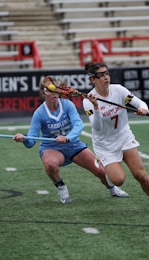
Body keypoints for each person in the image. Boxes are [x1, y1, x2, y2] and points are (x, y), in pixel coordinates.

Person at [13, 76, 129, 204]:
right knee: (50, 164)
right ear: (43, 94)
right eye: (49, 91)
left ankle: (112, 189)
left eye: (55, 90)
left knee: (100, 171)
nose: (53, 94)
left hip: (74, 145)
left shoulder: (67, 105)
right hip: (51, 148)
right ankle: (60, 186)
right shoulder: (39, 113)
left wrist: (67, 138)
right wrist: (24, 138)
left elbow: (78, 125)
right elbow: (31, 142)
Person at [82, 62, 149, 212]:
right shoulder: (88, 101)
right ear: (93, 80)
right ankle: (107, 170)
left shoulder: (119, 90)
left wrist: (143, 109)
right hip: (105, 145)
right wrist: (96, 107)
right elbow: (97, 127)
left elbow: (138, 102)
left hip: (124, 137)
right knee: (118, 180)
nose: (106, 77)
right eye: (101, 75)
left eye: (107, 73)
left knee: (140, 174)